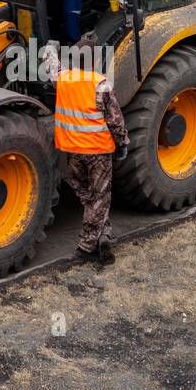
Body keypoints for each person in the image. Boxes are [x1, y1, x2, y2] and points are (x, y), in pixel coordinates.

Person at [50, 35, 129, 264]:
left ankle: (103, 235)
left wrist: (51, 48)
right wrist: (122, 143)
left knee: (87, 195)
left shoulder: (63, 79)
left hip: (74, 152)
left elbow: (51, 65)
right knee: (99, 198)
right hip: (98, 153)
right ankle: (86, 247)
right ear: (94, 61)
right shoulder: (100, 84)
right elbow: (116, 121)